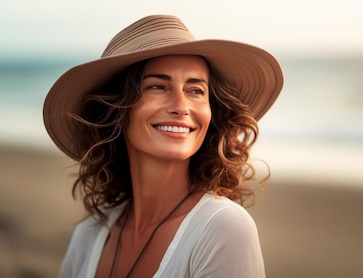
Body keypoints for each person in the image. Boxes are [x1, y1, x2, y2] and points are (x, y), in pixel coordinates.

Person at [43, 15, 283, 277]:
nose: (181, 106)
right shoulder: (89, 236)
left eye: (195, 90)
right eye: (157, 86)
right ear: (115, 109)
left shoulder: (224, 228)